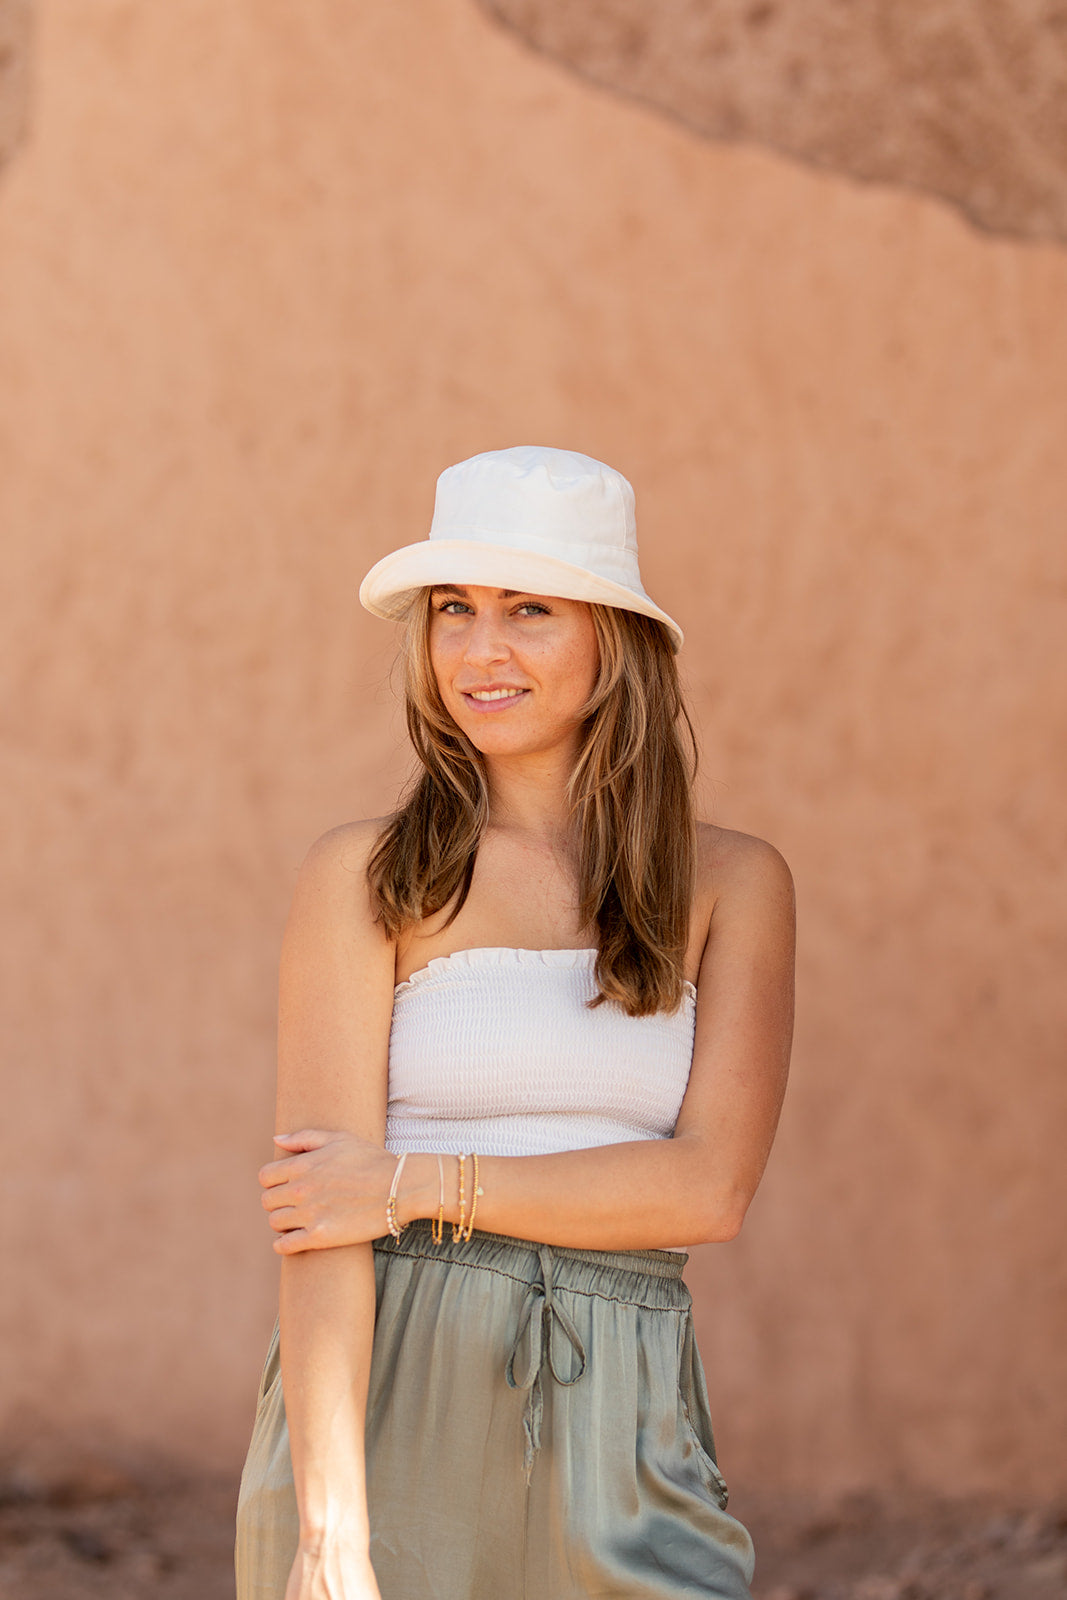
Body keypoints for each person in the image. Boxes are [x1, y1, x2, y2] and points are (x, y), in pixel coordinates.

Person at [235, 445, 795, 1600]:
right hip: (394, 1394)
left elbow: (706, 1191)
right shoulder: (365, 876)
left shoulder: (733, 885)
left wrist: (410, 1180)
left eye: (527, 609)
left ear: (612, 639)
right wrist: (331, 1529)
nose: (479, 652)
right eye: (453, 611)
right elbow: (322, 1223)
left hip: (625, 1409)